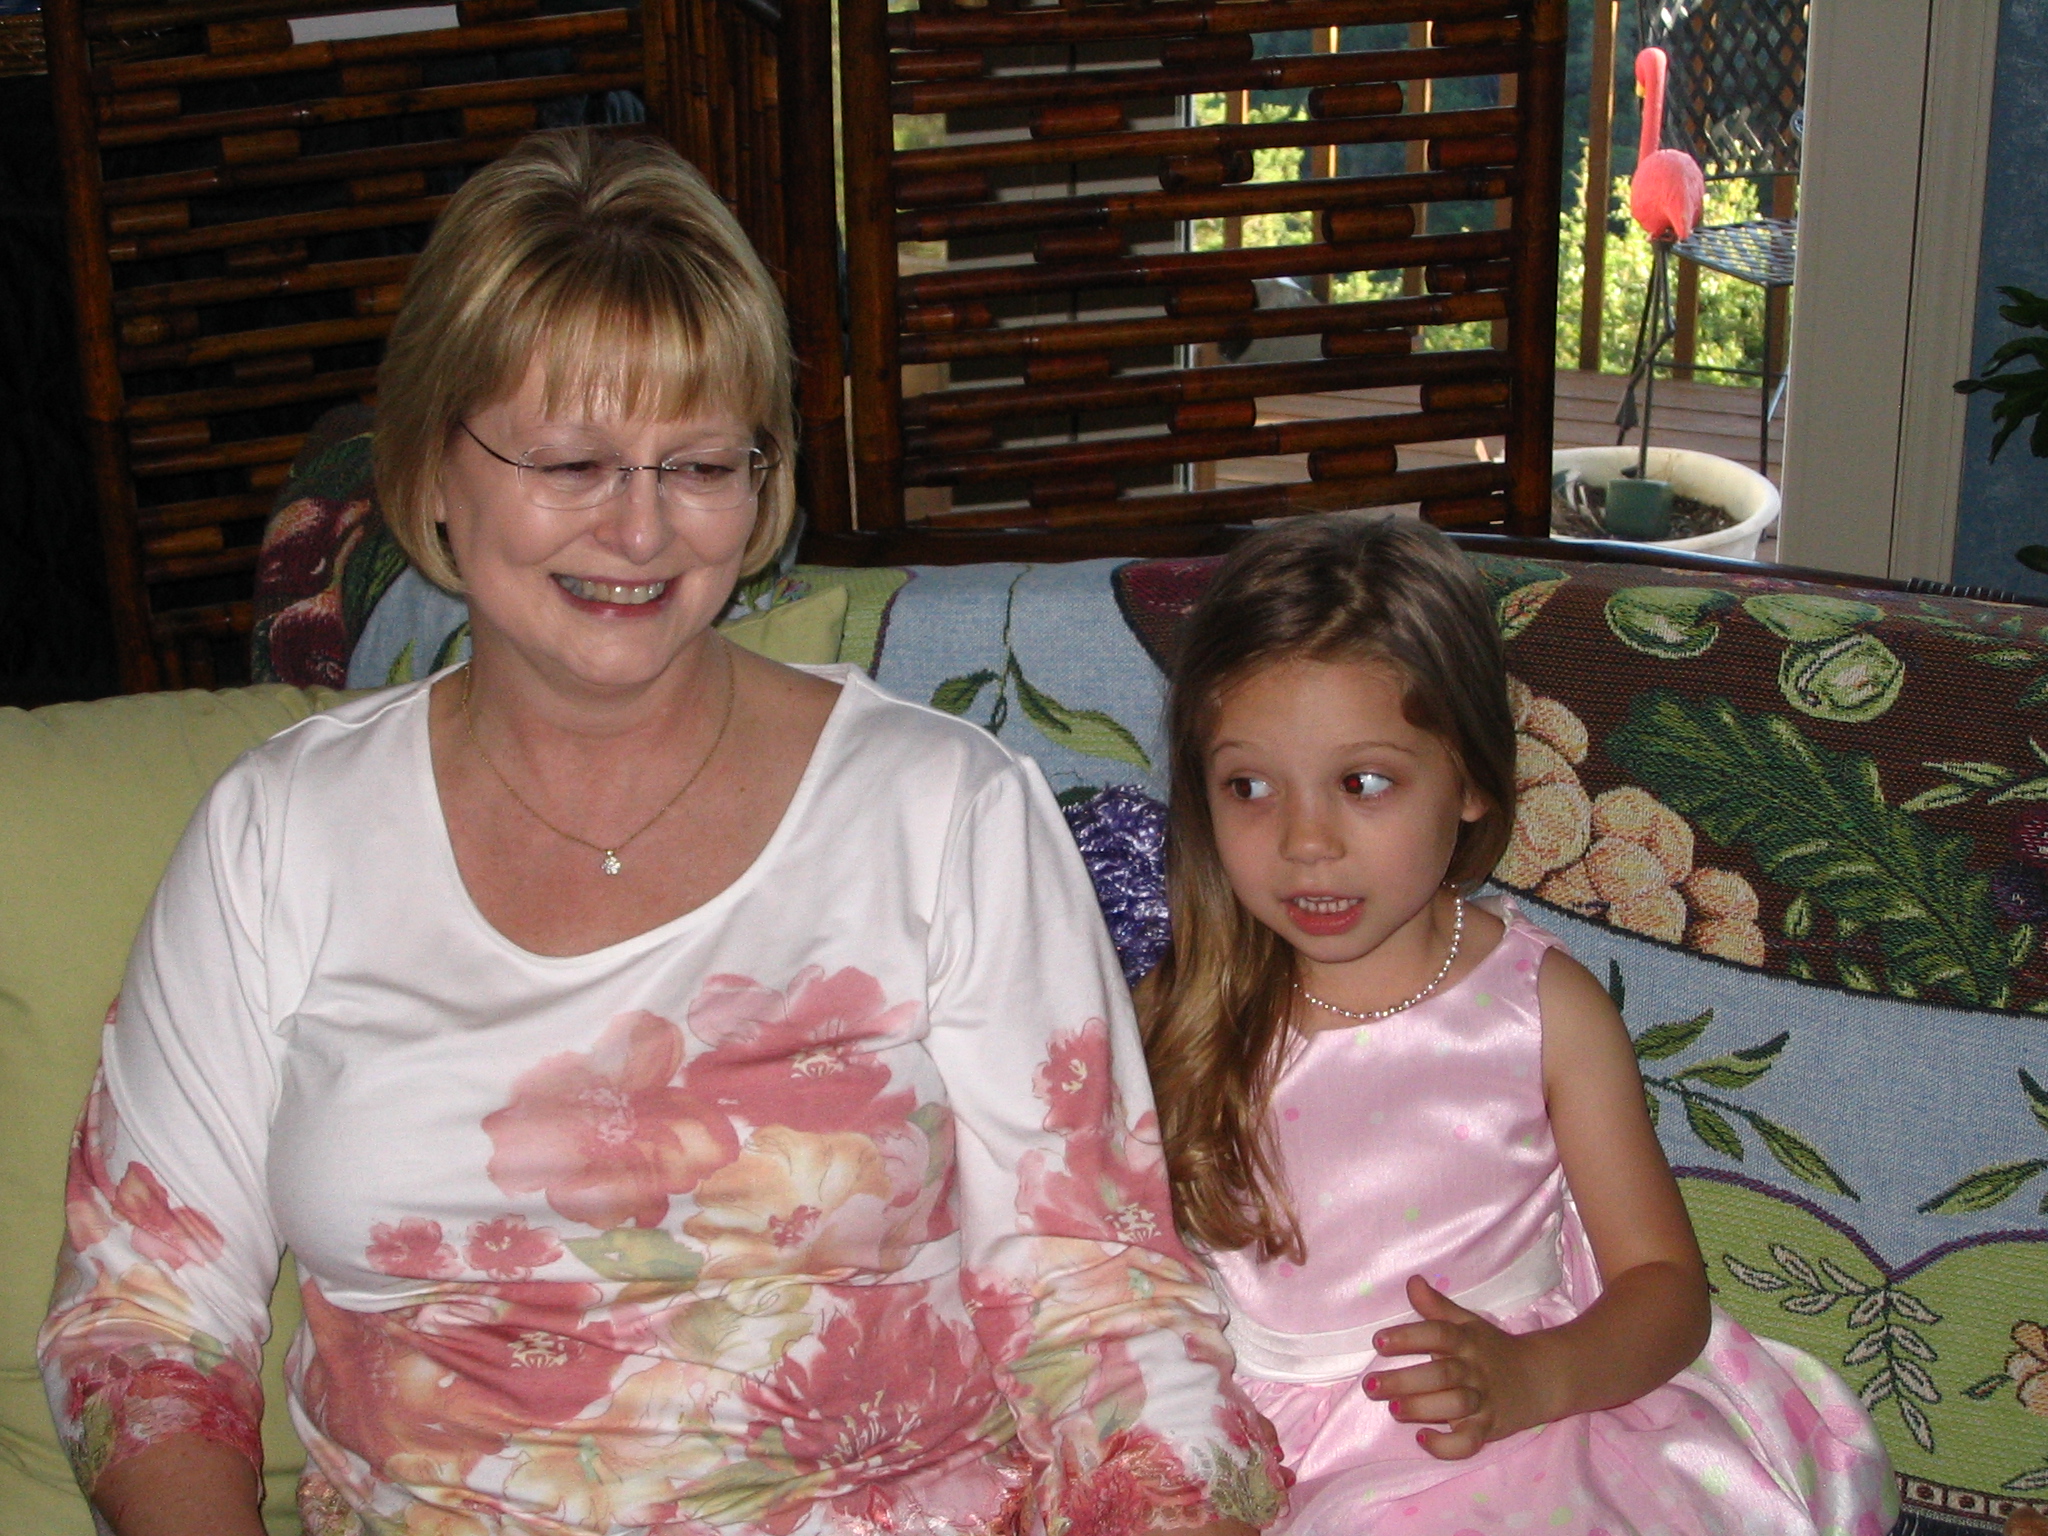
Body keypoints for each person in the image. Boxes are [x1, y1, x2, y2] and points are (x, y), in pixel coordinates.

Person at [38, 130, 1285, 1536]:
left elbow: (1100, 1301)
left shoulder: (943, 810)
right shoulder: (279, 833)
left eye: (697, 464)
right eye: (571, 461)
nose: (638, 533)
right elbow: (146, 1318)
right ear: (432, 467)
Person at [1137, 514, 1896, 1535]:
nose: (1305, 841)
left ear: (1468, 781)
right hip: (1257, 1452)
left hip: (1515, 1434)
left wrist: (1536, 1375)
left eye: (1364, 782)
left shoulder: (1539, 1010)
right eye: (1250, 787)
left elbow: (1665, 1288)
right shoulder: (1178, 1013)